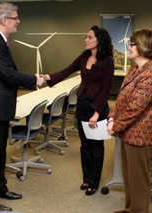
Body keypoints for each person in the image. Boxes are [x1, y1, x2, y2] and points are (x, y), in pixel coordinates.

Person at [0, 2, 45, 212]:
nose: (18, 21)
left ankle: (0, 188)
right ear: (4, 20)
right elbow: (7, 74)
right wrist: (34, 79)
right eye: (15, 17)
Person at [42, 26, 114, 196]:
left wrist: (96, 113)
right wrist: (47, 77)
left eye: (89, 37)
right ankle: (86, 178)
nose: (86, 40)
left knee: (96, 147)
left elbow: (106, 89)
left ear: (99, 40)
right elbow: (67, 70)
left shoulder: (108, 61)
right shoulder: (84, 56)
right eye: (86, 37)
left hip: (98, 108)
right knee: (84, 145)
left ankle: (94, 182)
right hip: (82, 105)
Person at [107, 29, 152, 213]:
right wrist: (112, 117)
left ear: (144, 47)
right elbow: (123, 97)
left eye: (132, 44)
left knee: (139, 180)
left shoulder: (151, 74)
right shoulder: (135, 69)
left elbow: (135, 108)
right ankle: (130, 209)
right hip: (128, 132)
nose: (129, 47)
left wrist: (115, 126)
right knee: (129, 176)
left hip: (139, 135)